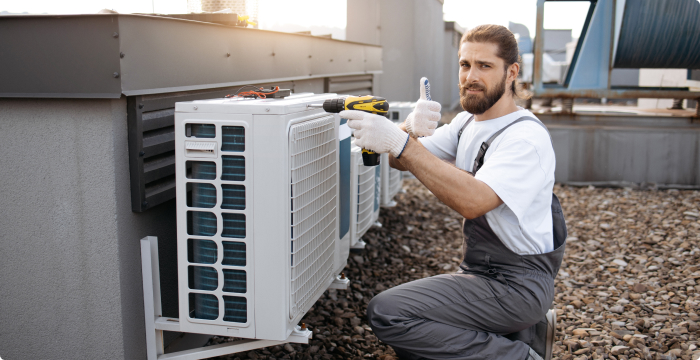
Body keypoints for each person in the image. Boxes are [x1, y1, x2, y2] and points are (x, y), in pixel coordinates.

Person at [340, 24, 567, 360]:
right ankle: (524, 334)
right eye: (465, 65)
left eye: (484, 66)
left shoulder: (524, 139)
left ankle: (521, 355)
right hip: (480, 271)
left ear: (511, 73)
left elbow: (473, 201)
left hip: (517, 285)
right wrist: (410, 129)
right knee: (421, 343)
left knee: (390, 313)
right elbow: (404, 161)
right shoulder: (465, 123)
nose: (471, 76)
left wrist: (400, 140)